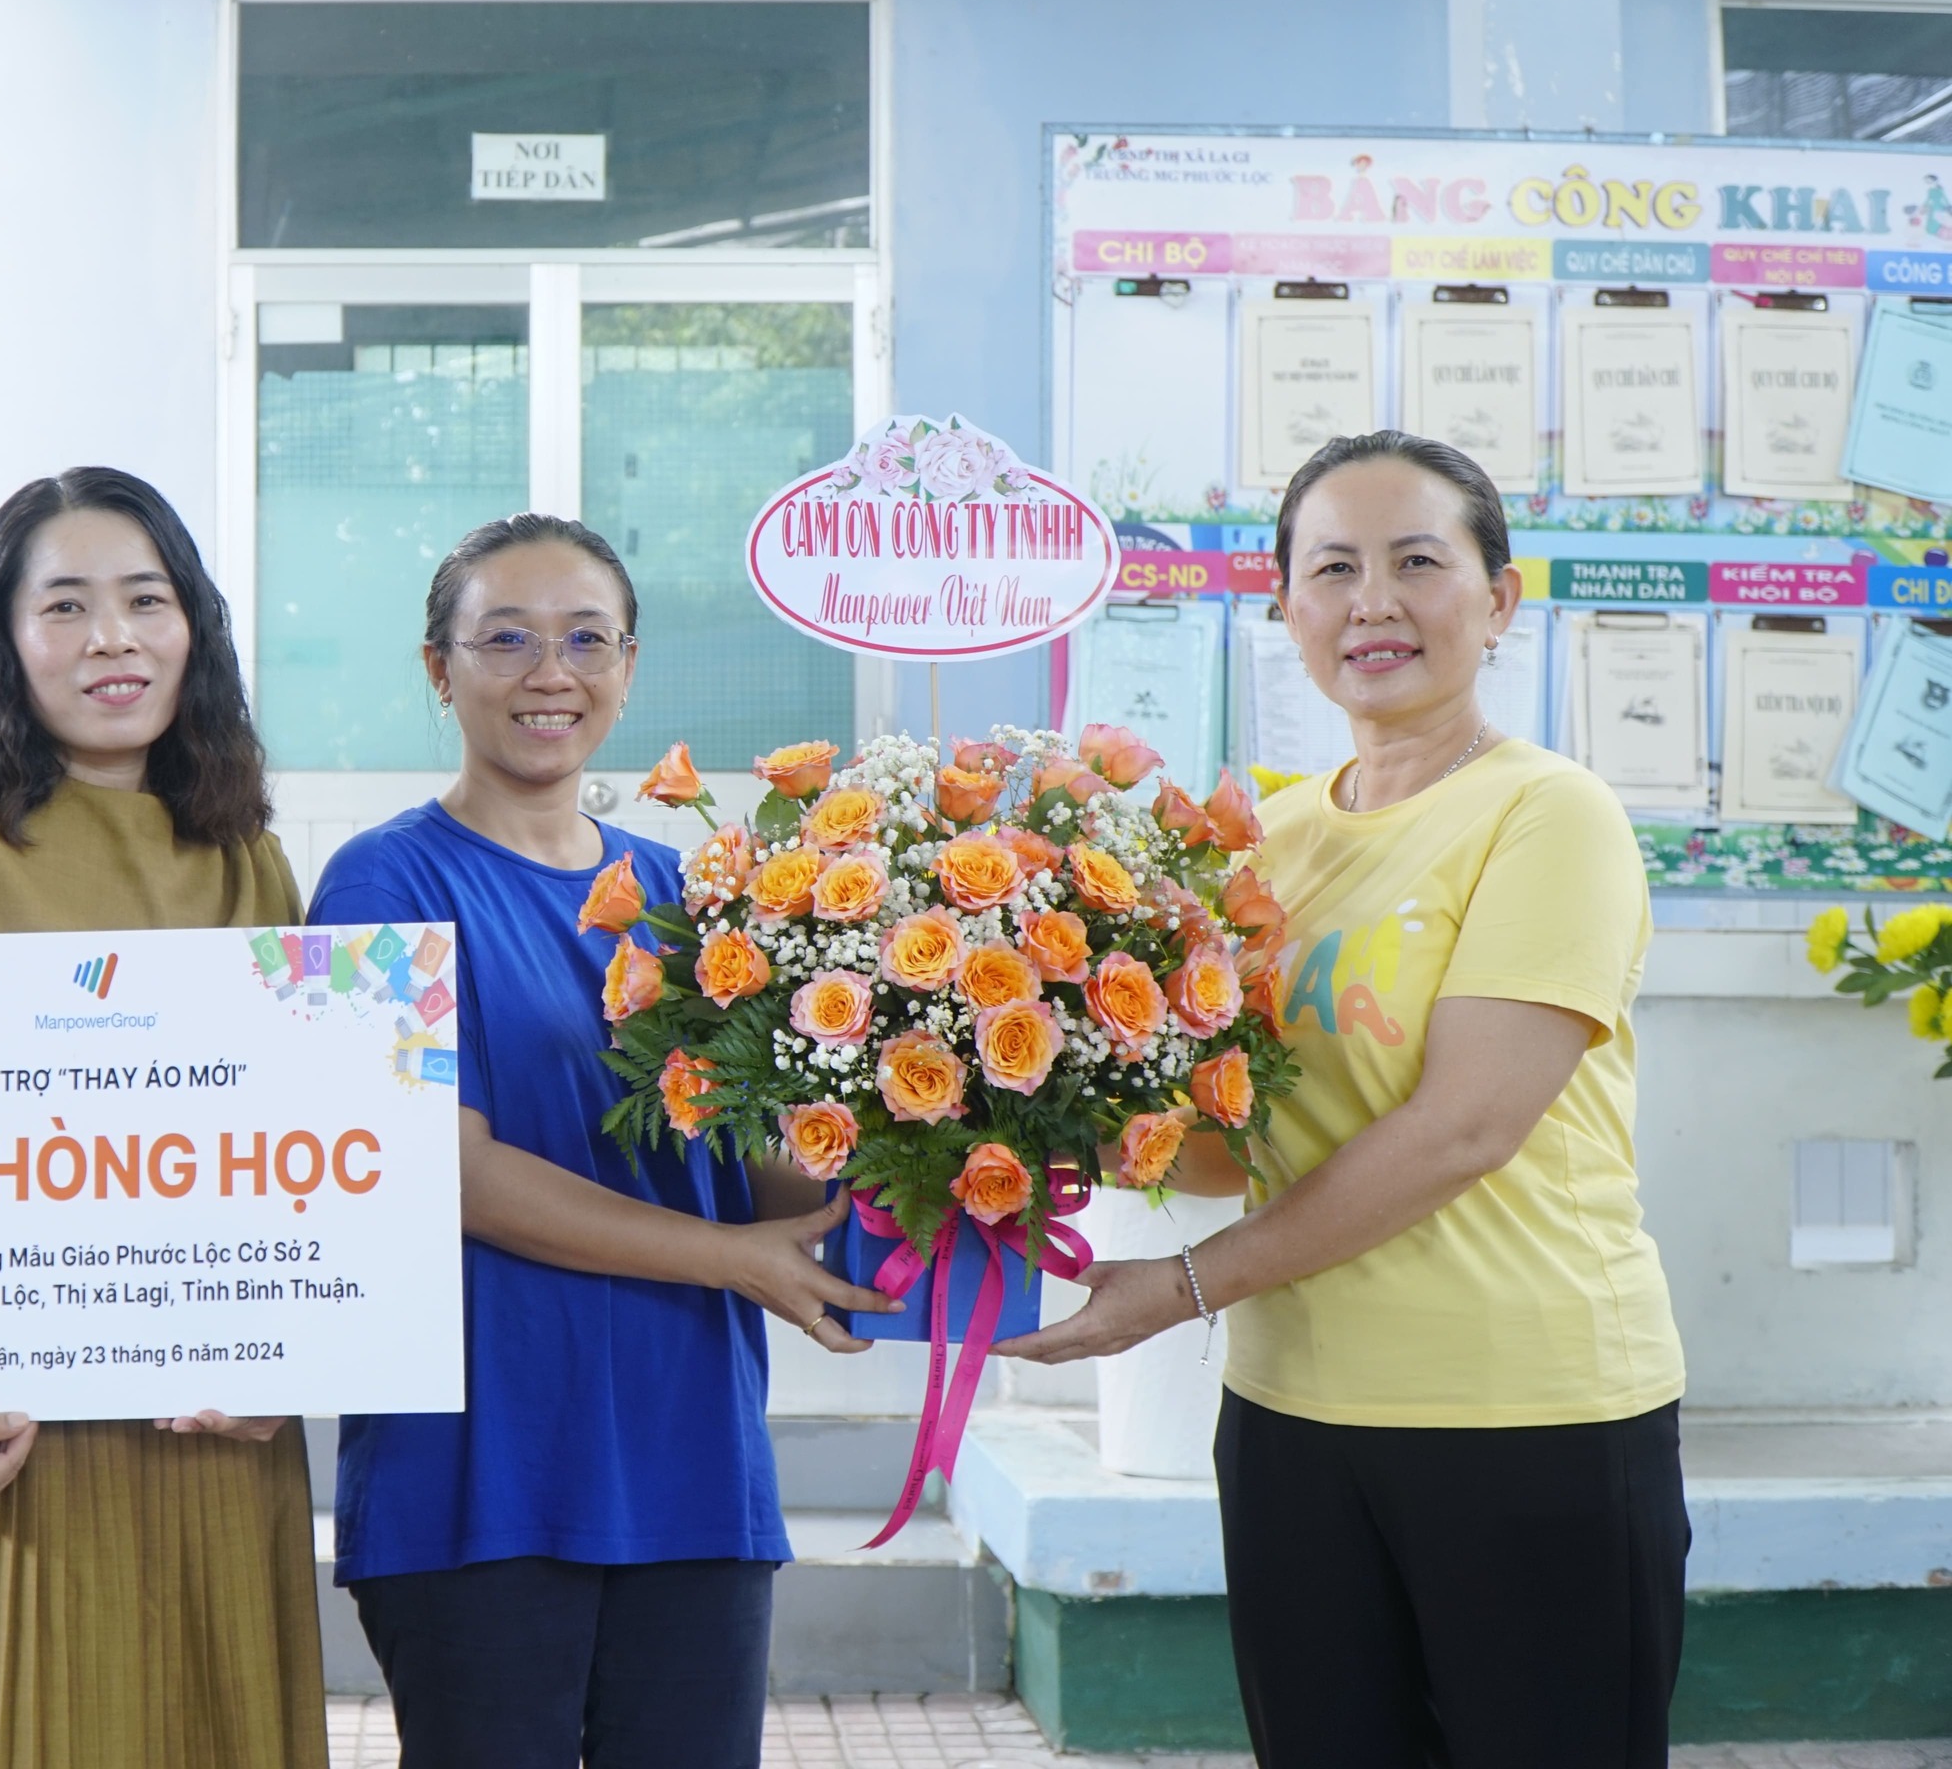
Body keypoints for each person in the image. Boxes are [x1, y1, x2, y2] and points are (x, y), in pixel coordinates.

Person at [999, 431, 1686, 1768]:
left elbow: (1465, 1128)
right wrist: (1006, 1127)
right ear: (1284, 612)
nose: (1374, 602)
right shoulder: (1271, 840)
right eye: (1334, 569)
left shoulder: (1550, 815)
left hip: (1524, 1415)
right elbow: (1229, 1141)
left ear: (1498, 599)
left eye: (1418, 562)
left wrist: (1182, 1288)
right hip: (1293, 1418)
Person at [306, 512, 899, 1769]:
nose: (548, 673)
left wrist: (921, 1130)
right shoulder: (381, 886)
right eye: (505, 639)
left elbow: (743, 1158)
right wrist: (737, 1260)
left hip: (689, 1455)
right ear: (438, 667)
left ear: (629, 667)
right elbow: (443, 1167)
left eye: (586, 639)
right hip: (484, 1471)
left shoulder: (694, 899)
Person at [0, 468, 324, 1769]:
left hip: (220, 1444)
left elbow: (308, 1157)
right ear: (4, 643)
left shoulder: (248, 861)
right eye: (66, 606)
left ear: (192, 627)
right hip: (13, 1451)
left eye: (144, 600)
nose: (112, 637)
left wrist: (300, 1361)